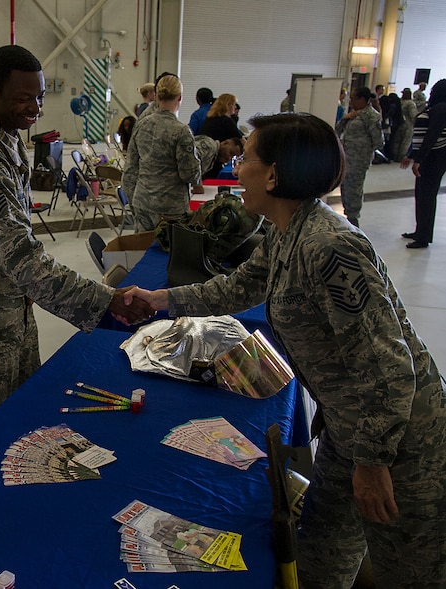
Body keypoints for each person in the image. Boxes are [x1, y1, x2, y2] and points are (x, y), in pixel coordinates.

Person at [123, 112, 446, 589]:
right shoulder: (285, 229)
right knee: (319, 554)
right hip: (349, 428)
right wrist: (163, 300)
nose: (236, 170)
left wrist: (375, 463)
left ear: (273, 173)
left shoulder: (330, 247)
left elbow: (389, 368)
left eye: (247, 159)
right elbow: (238, 287)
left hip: (401, 443)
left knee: (408, 571)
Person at [0, 45, 154, 443]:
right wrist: (105, 301)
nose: (35, 107)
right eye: (23, 98)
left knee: (22, 413)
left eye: (39, 96)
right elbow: (24, 260)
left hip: (12, 307)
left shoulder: (8, 141)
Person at [121, 74, 201, 230]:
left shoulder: (141, 124)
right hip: (170, 206)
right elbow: (190, 174)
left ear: (156, 96)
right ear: (180, 97)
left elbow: (131, 166)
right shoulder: (181, 131)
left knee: (144, 250)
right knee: (169, 252)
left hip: (142, 200)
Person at [400, 78, 446, 249]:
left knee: (426, 196)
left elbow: (432, 136)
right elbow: (422, 136)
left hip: (434, 158)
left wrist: (419, 159)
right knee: (421, 194)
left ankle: (424, 237)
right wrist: (411, 155)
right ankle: (420, 231)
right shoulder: (436, 107)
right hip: (429, 156)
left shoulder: (441, 108)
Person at [335, 86, 383, 226]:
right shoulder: (354, 114)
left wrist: (363, 151)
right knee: (345, 187)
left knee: (354, 189)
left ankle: (353, 218)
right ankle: (348, 214)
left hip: (358, 160)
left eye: (354, 99)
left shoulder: (371, 116)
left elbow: (378, 141)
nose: (351, 102)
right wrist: (344, 119)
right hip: (346, 158)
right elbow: (337, 132)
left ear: (362, 99)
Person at [391, 88, 418, 163]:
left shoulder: (400, 101)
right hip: (408, 124)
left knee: (397, 141)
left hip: (399, 123)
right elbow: (413, 115)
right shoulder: (411, 103)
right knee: (406, 141)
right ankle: (401, 157)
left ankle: (394, 156)